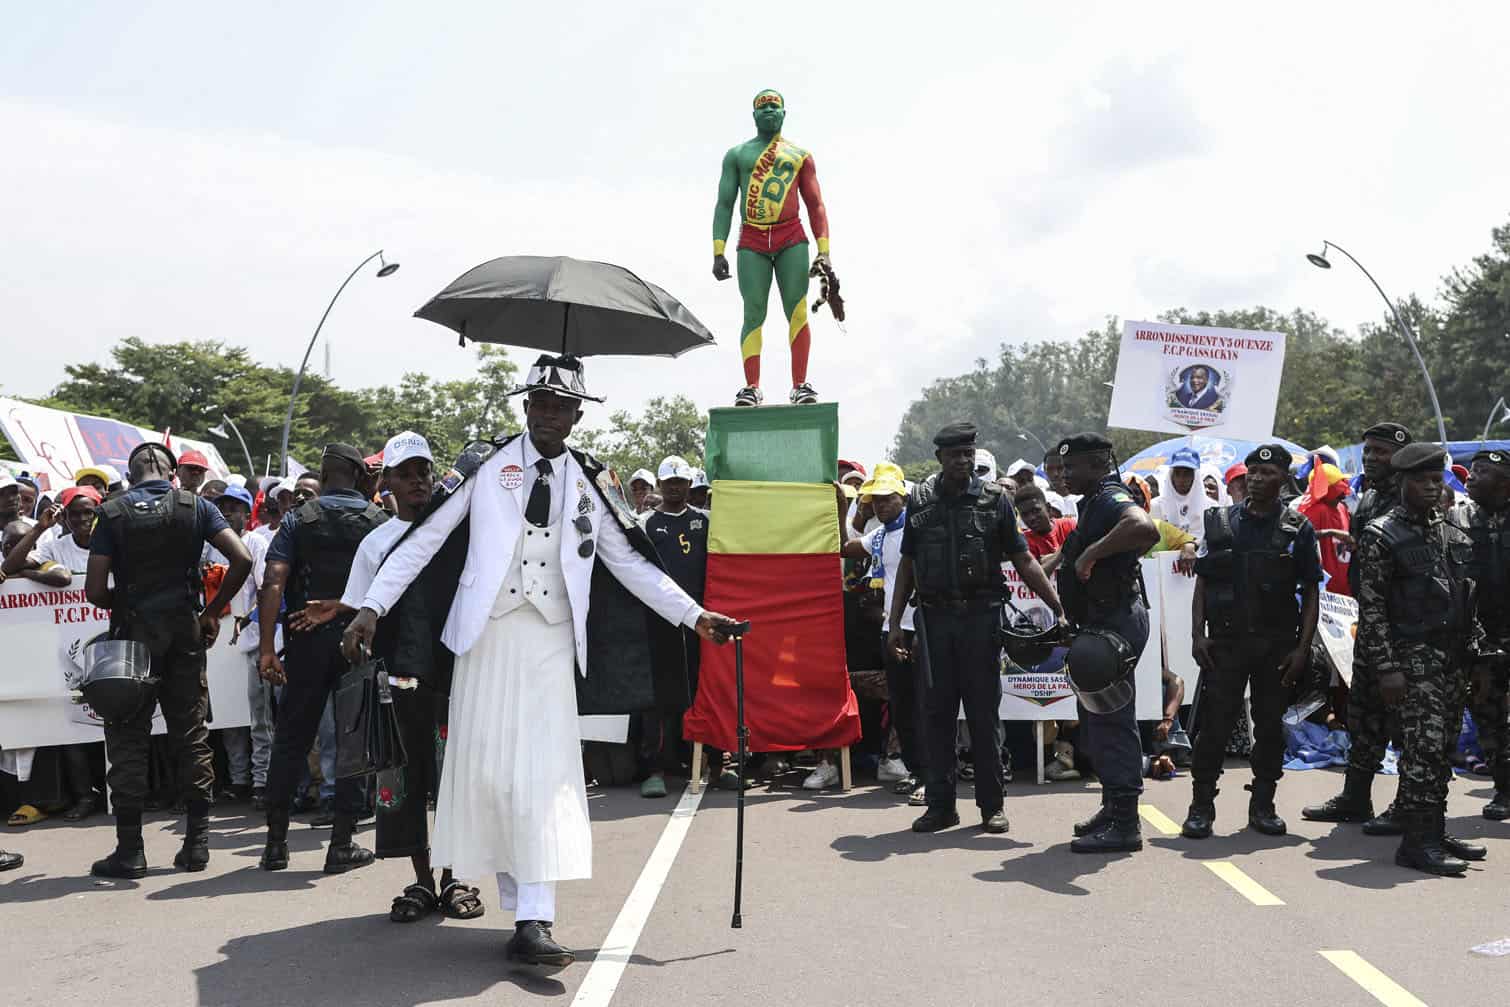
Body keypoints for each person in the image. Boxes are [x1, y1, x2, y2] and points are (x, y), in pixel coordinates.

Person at [341, 354, 742, 969]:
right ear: (526, 407)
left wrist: (695, 616)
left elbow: (629, 564)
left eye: (562, 406)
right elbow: (422, 541)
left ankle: (534, 918)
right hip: (487, 639)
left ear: (578, 416)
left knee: (545, 778)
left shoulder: (591, 482)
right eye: (541, 403)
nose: (550, 414)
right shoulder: (483, 466)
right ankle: (519, 903)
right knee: (497, 780)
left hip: (552, 643)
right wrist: (371, 607)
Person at [84, 442, 251, 878]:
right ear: (172, 473)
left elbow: (95, 591)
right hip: (184, 632)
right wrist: (211, 612)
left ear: (131, 473)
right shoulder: (196, 507)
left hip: (132, 637)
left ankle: (130, 851)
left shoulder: (112, 512)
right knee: (191, 735)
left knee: (127, 737)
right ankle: (196, 845)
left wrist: (128, 603)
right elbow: (243, 558)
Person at [888, 422, 1063, 835]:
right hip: (934, 623)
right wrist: (894, 623)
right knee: (937, 717)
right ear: (940, 459)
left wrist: (1057, 607)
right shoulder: (920, 501)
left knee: (984, 717)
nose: (963, 461)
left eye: (968, 453)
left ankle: (991, 807)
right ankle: (940, 807)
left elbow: (1024, 559)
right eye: (955, 455)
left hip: (981, 621)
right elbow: (908, 565)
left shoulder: (994, 501)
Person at [255, 443, 389, 874]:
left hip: (304, 641)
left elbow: (273, 580)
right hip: (358, 643)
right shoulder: (377, 521)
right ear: (358, 475)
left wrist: (267, 647)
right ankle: (341, 845)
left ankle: (275, 845)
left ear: (325, 474)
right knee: (354, 744)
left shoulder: (299, 518)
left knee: (290, 741)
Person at [1353, 443, 1485, 875]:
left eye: (1435, 480)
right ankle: (1416, 842)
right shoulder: (1381, 535)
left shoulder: (1447, 530)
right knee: (1422, 751)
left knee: (1443, 748)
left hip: (1452, 658)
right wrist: (1387, 669)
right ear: (1402, 483)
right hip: (1412, 659)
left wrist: (1476, 652)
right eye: (1422, 481)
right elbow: (1372, 610)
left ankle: (1434, 829)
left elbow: (1464, 596)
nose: (1431, 487)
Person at [1181, 444, 1323, 840]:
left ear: (1283, 479)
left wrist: (1302, 649)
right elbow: (1204, 580)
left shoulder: (1298, 528)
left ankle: (1263, 804)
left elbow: (1312, 590)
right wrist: (1197, 635)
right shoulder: (1221, 523)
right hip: (1226, 645)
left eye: (1267, 473)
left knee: (1270, 728)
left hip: (1276, 646)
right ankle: (1201, 806)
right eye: (1252, 473)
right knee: (1214, 726)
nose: (1257, 479)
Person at [1055, 433, 1160, 853]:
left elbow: (1144, 528)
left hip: (1116, 620)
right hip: (1100, 620)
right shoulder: (1092, 502)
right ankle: (1112, 807)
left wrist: (1090, 554)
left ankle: (1126, 823)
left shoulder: (1111, 496)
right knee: (1097, 719)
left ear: (1098, 464)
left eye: (1072, 467)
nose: (1064, 474)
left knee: (1113, 721)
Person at [1303, 421, 1411, 828]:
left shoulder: (1411, 498)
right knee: (1362, 714)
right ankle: (1355, 798)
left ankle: (1409, 806)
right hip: (1368, 621)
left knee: (1406, 723)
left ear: (1400, 456)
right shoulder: (1368, 499)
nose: (1370, 458)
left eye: (1380, 452)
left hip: (1403, 628)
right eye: (1367, 451)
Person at [712, 88, 833, 407]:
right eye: (762, 106)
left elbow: (816, 204)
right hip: (752, 239)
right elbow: (724, 204)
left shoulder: (800, 155)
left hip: (791, 236)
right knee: (753, 311)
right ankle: (751, 387)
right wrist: (718, 250)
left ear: (783, 113)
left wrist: (823, 250)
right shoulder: (737, 155)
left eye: (774, 105)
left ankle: (800, 385)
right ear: (753, 115)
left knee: (797, 309)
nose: (768, 110)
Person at [640, 455, 727, 796]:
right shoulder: (645, 523)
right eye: (669, 482)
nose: (675, 487)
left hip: (704, 620)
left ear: (690, 485)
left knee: (709, 689)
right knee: (660, 697)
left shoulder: (707, 521)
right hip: (661, 622)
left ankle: (717, 764)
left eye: (681, 482)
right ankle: (655, 769)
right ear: (660, 485)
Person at [1452, 448, 1510, 821]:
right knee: (1489, 716)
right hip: (1479, 639)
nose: (1471, 477)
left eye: (1483, 471)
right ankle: (1505, 790)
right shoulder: (1457, 519)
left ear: (1505, 483)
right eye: (1472, 470)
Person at [206, 486, 256, 802]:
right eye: (222, 507)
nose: (227, 513)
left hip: (252, 640)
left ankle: (262, 780)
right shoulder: (209, 549)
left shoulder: (257, 543)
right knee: (229, 715)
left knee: (259, 717)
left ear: (247, 514)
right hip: (220, 640)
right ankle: (239, 780)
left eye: (234, 507)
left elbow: (265, 589)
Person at [2, 487, 100, 585]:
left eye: (88, 513)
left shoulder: (108, 544)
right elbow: (8, 567)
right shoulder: (54, 547)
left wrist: (25, 573)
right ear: (64, 517)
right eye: (74, 514)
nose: (82, 518)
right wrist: (39, 528)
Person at [1150, 447, 1212, 542]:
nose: (1181, 479)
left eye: (1187, 474)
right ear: (1171, 475)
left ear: (1195, 476)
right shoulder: (1155, 506)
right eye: (1177, 473)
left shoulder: (1210, 507)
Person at [1016, 483, 1076, 577]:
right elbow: (1038, 576)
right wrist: (1063, 550)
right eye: (1025, 514)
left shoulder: (1069, 525)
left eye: (1035, 511)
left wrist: (1049, 559)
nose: (1031, 518)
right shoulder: (1025, 541)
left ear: (1048, 508)